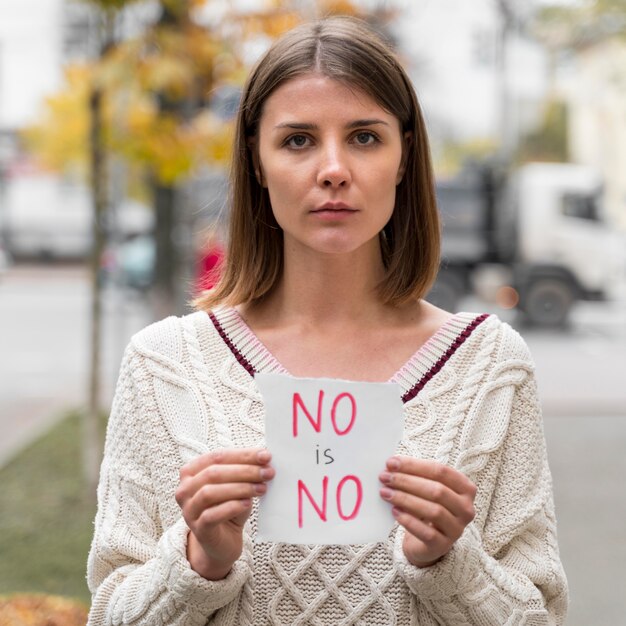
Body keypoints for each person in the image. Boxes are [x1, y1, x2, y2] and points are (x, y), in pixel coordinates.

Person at [87, 16, 568, 625]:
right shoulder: (165, 365)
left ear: (403, 157)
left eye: (365, 137)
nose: (334, 168)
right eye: (298, 140)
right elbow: (108, 614)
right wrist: (196, 561)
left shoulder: (490, 367)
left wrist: (452, 563)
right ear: (256, 163)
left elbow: (543, 616)